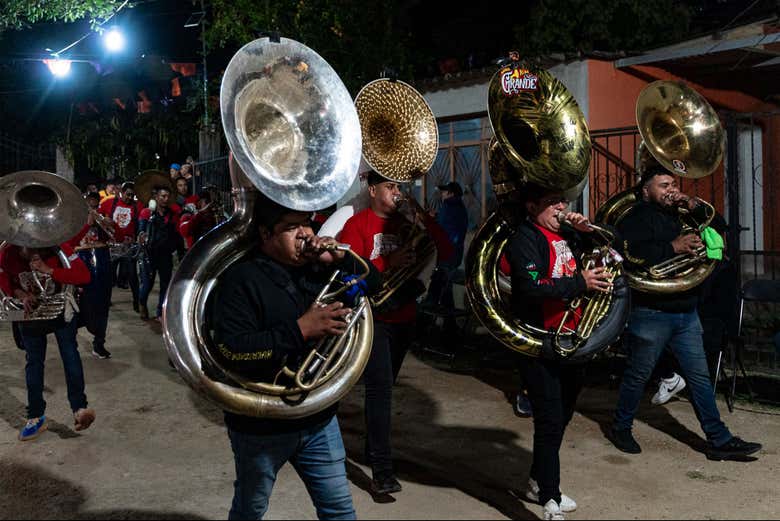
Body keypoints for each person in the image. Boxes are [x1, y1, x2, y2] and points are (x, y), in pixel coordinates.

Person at [212, 190, 379, 520]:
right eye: (291, 227)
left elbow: (375, 283)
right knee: (250, 509)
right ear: (265, 233)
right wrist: (300, 330)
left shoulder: (317, 269)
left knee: (340, 511)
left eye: (307, 223)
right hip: (260, 425)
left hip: (318, 418)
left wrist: (342, 259)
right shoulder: (241, 279)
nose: (306, 234)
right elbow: (231, 351)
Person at [609, 166, 762, 461]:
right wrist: (673, 246)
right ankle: (621, 426)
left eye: (673, 183)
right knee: (638, 376)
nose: (670, 189)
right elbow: (627, 254)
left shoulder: (681, 213)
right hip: (652, 311)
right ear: (646, 191)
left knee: (700, 378)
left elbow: (720, 229)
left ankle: (719, 440)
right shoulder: (635, 217)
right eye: (663, 184)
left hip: (686, 310)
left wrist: (694, 207)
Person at [339, 170, 453, 495]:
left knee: (385, 386)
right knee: (380, 391)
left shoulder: (407, 225)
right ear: (372, 190)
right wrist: (389, 261)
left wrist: (422, 215)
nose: (396, 193)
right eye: (390, 187)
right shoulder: (357, 225)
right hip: (372, 319)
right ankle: (382, 470)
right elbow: (348, 275)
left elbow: (444, 251)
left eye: (399, 187)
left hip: (404, 317)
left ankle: (373, 445)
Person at [506, 184, 612, 520]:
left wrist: (588, 232)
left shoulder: (569, 235)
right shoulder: (525, 238)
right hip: (542, 342)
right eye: (552, 202)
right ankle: (550, 499)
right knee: (550, 419)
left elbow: (615, 250)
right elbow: (531, 287)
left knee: (563, 416)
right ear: (532, 205)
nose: (561, 207)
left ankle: (539, 480)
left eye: (562, 200)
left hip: (573, 340)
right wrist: (580, 283)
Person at [0, 241, 96, 441]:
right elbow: (5, 279)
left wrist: (49, 269)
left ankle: (79, 408)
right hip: (30, 313)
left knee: (70, 354)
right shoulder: (8, 251)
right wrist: (20, 294)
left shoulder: (59, 246)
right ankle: (35, 416)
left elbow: (84, 276)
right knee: (34, 362)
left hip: (60, 309)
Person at [72, 192, 118, 359]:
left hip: (100, 258)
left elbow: (113, 236)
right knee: (79, 301)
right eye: (89, 205)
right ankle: (71, 340)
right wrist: (86, 224)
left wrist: (106, 224)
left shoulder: (101, 219)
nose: (92, 208)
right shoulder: (74, 220)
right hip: (81, 259)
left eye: (95, 205)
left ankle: (99, 343)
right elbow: (70, 243)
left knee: (102, 301)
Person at [138, 185, 183, 321]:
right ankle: (142, 303)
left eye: (167, 196)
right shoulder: (147, 213)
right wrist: (141, 235)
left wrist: (180, 252)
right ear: (156, 197)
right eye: (162, 196)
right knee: (147, 284)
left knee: (165, 284)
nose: (165, 199)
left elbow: (177, 234)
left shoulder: (172, 215)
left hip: (165, 255)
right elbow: (141, 230)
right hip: (149, 254)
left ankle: (160, 313)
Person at [423, 181, 468, 311]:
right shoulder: (460, 208)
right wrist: (436, 216)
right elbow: (450, 224)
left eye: (444, 192)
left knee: (440, 282)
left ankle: (431, 315)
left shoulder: (448, 205)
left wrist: (429, 219)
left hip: (446, 252)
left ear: (450, 193)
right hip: (456, 252)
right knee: (446, 287)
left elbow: (441, 229)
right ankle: (449, 323)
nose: (442, 194)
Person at [100, 182, 143, 305]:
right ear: (122, 193)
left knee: (132, 276)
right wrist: (104, 221)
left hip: (128, 247)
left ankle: (137, 302)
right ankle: (105, 301)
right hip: (112, 246)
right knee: (109, 276)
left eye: (132, 195)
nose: (129, 197)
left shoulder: (137, 206)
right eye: (128, 194)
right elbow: (97, 215)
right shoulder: (109, 203)